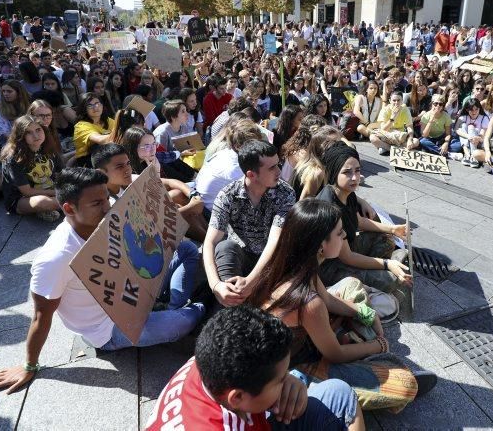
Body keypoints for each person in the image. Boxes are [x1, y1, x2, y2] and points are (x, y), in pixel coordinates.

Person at [0, 168, 205, 394]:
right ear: (69, 208)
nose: (107, 208)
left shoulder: (102, 222)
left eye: (106, 199)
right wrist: (29, 366)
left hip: (135, 291)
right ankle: (197, 307)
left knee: (186, 249)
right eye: (97, 204)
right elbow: (41, 316)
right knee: (182, 322)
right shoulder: (55, 258)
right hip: (109, 328)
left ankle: (171, 305)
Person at [250, 199, 432, 413]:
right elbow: (334, 354)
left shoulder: (296, 267)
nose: (345, 235)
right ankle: (358, 367)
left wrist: (363, 311)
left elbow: (328, 299)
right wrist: (380, 345)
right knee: (405, 385)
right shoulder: (308, 300)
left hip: (307, 340)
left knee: (351, 285)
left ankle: (358, 343)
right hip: (293, 372)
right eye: (339, 233)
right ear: (320, 245)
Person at [145, 306, 363, 431]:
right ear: (237, 397)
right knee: (340, 396)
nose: (287, 379)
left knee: (333, 391)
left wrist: (288, 380)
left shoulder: (209, 359)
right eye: (280, 380)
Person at [203, 140, 296, 307]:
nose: (279, 171)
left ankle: (234, 309)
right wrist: (216, 285)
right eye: (271, 168)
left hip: (271, 261)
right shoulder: (228, 195)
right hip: (241, 259)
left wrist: (250, 282)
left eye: (278, 164)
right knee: (225, 247)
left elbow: (274, 241)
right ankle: (231, 303)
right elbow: (210, 241)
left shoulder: (285, 194)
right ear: (251, 174)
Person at [315, 143, 410, 294]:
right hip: (328, 268)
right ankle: (385, 267)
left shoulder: (346, 191)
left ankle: (381, 266)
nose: (355, 177)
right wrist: (386, 264)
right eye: (347, 172)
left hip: (346, 251)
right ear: (334, 173)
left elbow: (359, 221)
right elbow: (348, 257)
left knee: (385, 239)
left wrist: (393, 229)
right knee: (390, 281)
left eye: (357, 170)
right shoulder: (329, 207)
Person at [0, 115, 63, 221]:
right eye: (28, 132)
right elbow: (27, 191)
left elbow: (61, 173)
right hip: (21, 199)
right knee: (44, 202)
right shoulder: (14, 157)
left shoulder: (48, 147)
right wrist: (58, 192)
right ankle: (51, 206)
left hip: (49, 188)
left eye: (38, 130)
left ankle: (55, 206)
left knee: (77, 189)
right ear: (21, 136)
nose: (35, 135)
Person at [73, 92, 115, 167]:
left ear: (102, 105)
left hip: (107, 158)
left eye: (97, 103)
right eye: (89, 105)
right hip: (88, 163)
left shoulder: (108, 120)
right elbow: (101, 140)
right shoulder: (81, 126)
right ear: (84, 109)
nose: (95, 107)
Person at [369, 90, 413, 155]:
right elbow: (384, 129)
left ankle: (385, 148)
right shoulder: (385, 109)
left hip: (399, 136)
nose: (396, 103)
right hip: (387, 134)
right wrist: (392, 118)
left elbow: (409, 127)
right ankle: (392, 149)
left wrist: (410, 140)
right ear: (390, 101)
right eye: (394, 100)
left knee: (416, 141)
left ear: (402, 101)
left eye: (399, 100)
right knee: (373, 138)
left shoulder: (405, 110)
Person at [0, 80, 31, 145]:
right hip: (9, 140)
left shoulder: (28, 102)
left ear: (19, 92)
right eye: (3, 91)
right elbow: (4, 131)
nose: (5, 94)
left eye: (9, 91)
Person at [455, 98, 489, 168]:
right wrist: (468, 136)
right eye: (471, 110)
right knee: (463, 125)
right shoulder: (464, 117)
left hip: (479, 142)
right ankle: (467, 154)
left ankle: (473, 156)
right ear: (467, 110)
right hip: (467, 141)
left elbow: (482, 135)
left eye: (476, 109)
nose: (474, 112)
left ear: (480, 109)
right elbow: (456, 129)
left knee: (470, 127)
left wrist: (476, 137)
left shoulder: (484, 118)